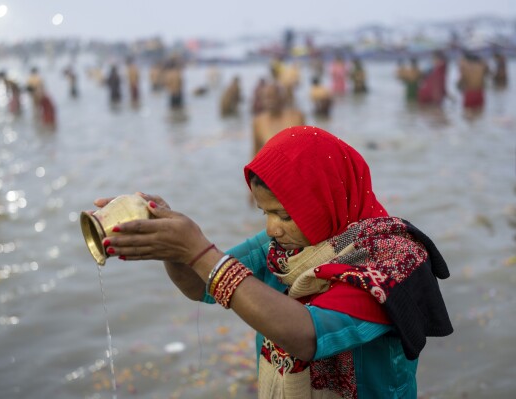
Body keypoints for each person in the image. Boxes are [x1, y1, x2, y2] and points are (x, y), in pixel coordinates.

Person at [96, 125, 454, 398]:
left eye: (284, 214)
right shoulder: (283, 249)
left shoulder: (390, 260)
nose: (272, 228)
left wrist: (198, 251)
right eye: (264, 212)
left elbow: (306, 335)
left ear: (323, 201)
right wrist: (174, 250)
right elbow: (200, 286)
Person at [251, 83, 304, 158]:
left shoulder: (296, 117)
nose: (270, 101)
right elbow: (255, 152)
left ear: (281, 98)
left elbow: (305, 146)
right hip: (272, 166)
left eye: (273, 96)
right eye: (267, 97)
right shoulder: (258, 122)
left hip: (294, 165)